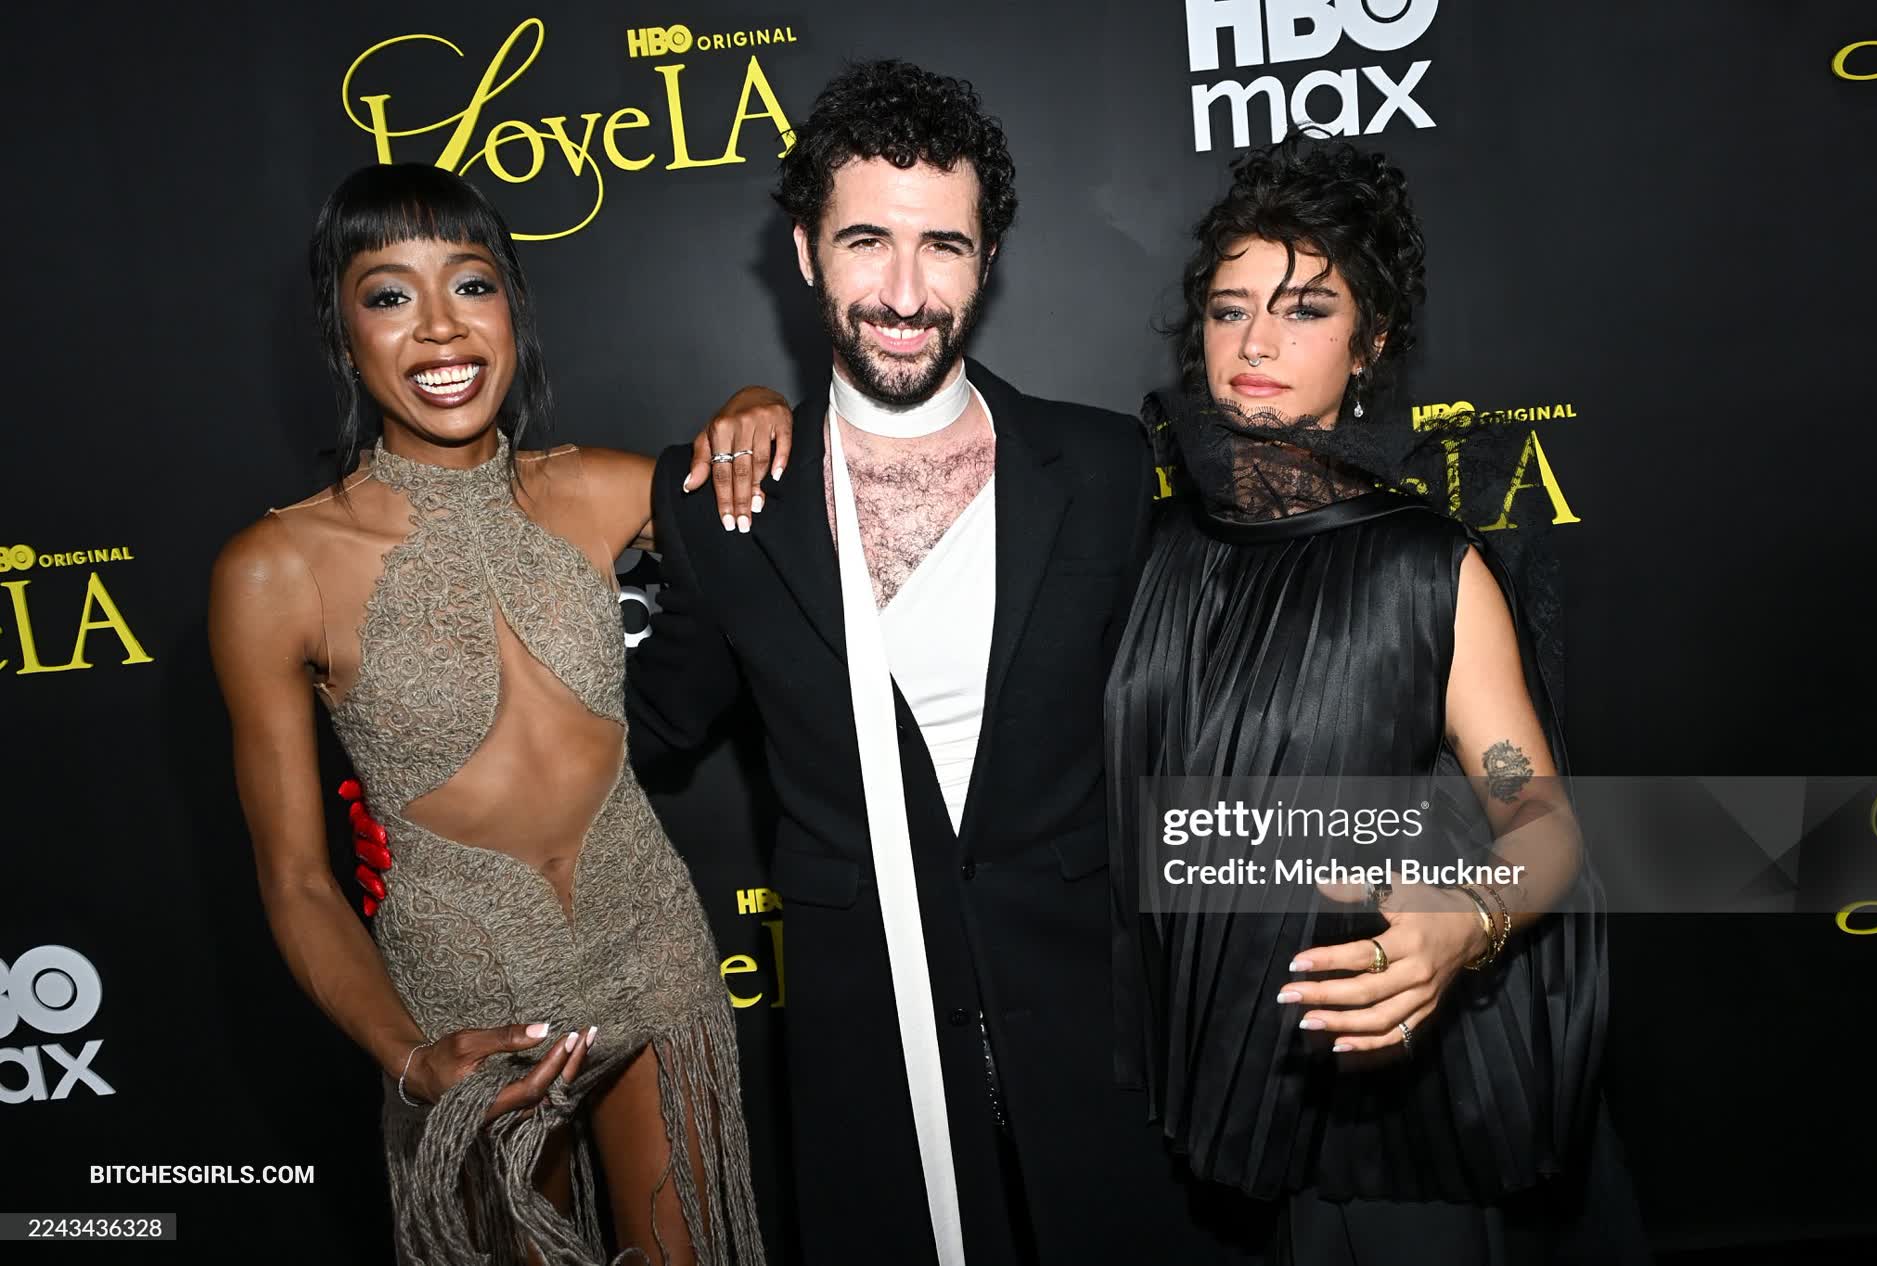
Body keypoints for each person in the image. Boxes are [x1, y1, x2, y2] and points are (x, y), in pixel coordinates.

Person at [620, 61, 1253, 1265]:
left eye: (943, 247)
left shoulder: (1105, 468)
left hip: (1099, 1031)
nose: (905, 293)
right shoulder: (719, 505)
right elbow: (646, 730)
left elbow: (1202, 731)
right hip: (866, 1042)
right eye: (866, 242)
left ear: (987, 259)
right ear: (805, 253)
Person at [208, 163, 765, 1266]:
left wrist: (756, 405)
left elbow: (779, 511)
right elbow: (298, 880)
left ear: (512, 309)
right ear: (343, 334)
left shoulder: (603, 488)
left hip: (652, 949)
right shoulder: (274, 569)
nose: (439, 328)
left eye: (470, 284)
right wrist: (411, 1058)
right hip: (466, 1004)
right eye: (388, 295)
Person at [1104, 138, 1647, 1263]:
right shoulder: (1150, 549)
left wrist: (1465, 922)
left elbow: (1542, 822)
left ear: (1372, 343)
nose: (1255, 342)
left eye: (1305, 309)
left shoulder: (1425, 568)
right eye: (1228, 309)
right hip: (1200, 1078)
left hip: (1384, 1100)